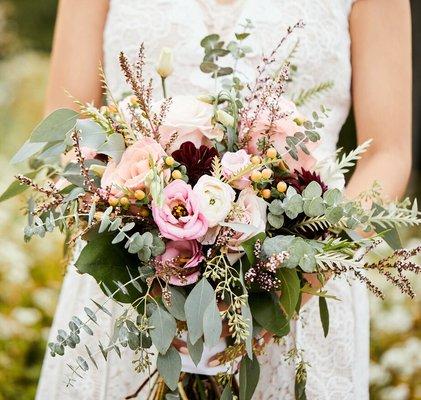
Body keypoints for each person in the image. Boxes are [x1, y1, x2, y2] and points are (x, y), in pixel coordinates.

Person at [36, 0, 412, 399]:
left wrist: (302, 277)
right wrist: (144, 251)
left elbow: (388, 153)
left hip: (294, 292)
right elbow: (64, 134)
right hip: (129, 293)